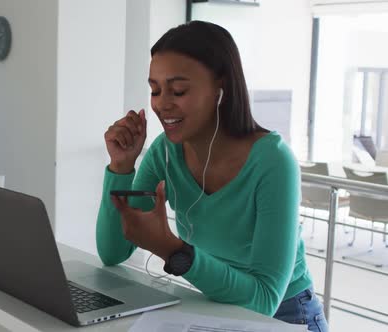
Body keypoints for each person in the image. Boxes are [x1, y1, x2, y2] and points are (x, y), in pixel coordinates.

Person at [96, 21, 329, 332]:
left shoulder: (273, 161)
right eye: (155, 89)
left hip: (287, 315)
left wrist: (174, 251)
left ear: (221, 88)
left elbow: (264, 300)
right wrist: (121, 168)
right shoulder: (165, 152)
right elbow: (112, 253)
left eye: (178, 90)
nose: (162, 103)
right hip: (217, 306)